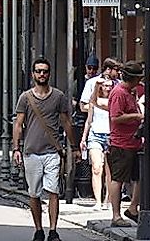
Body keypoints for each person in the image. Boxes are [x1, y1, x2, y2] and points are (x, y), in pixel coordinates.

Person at [11, 56, 75, 241]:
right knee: (34, 193)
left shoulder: (58, 96)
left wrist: (74, 146)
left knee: (53, 190)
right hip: (31, 152)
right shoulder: (25, 97)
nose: (41, 74)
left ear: (49, 74)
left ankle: (53, 230)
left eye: (45, 71)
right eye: (38, 71)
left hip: (52, 152)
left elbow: (65, 121)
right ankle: (39, 229)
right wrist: (16, 148)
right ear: (33, 74)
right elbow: (18, 124)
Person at [107, 60, 145, 227]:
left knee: (139, 177)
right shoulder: (119, 93)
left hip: (134, 141)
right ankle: (115, 215)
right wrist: (136, 117)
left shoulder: (130, 92)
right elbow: (115, 117)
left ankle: (133, 208)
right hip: (121, 143)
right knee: (118, 178)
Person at [79, 59, 114, 209]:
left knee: (109, 170)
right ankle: (98, 201)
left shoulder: (114, 101)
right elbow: (88, 119)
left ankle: (108, 200)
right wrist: (83, 138)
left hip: (110, 135)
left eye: (109, 86)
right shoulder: (95, 101)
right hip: (95, 135)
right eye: (104, 86)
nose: (106, 88)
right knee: (96, 167)